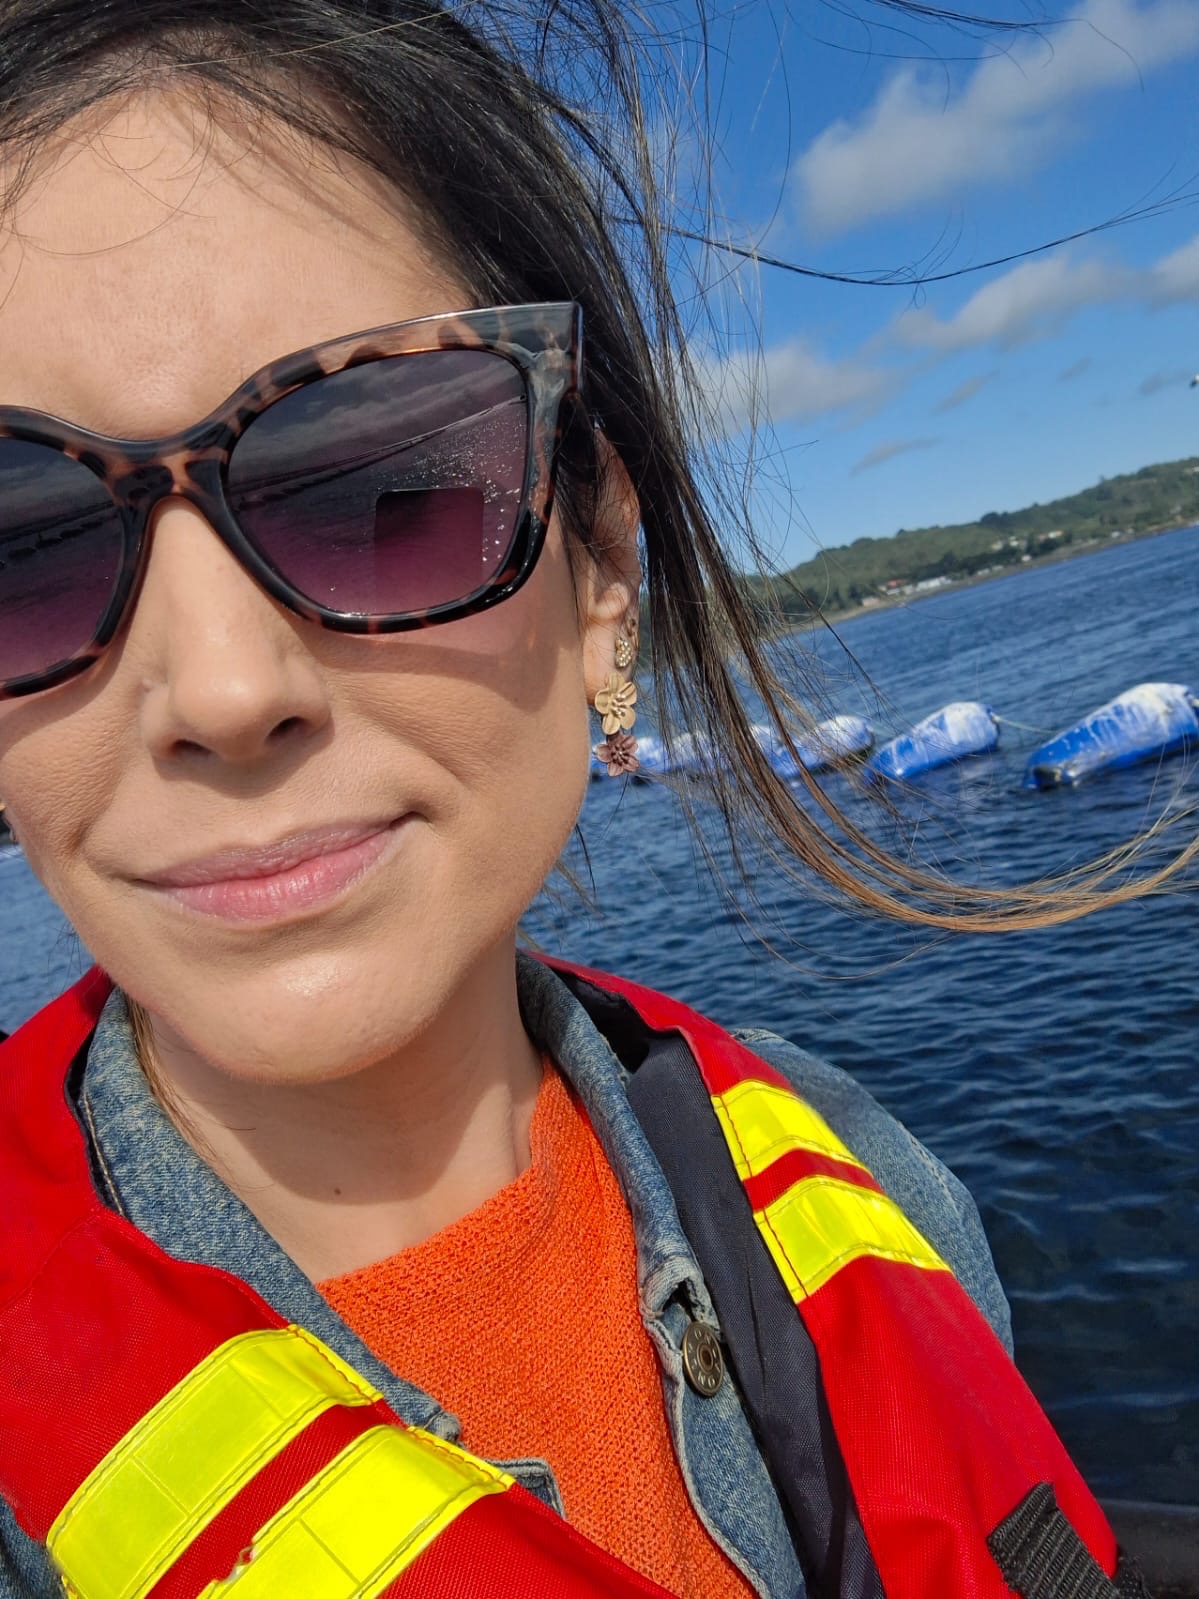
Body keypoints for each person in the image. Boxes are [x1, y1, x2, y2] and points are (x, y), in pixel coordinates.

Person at [0, 4, 1165, 1596]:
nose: (219, 690)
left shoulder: (869, 1179)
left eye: (378, 485)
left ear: (602, 570)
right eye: (25, 551)